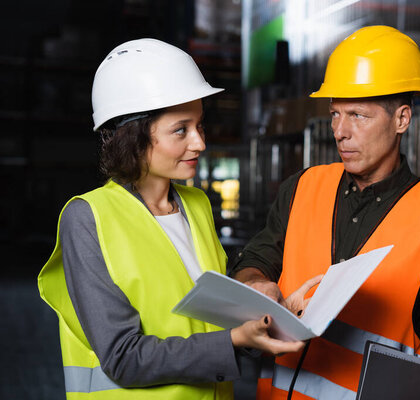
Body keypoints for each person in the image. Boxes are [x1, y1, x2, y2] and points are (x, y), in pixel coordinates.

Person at [38, 38, 318, 400]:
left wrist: (270, 317)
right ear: (133, 137)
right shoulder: (88, 218)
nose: (200, 143)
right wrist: (234, 341)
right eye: (180, 130)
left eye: (199, 126)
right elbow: (122, 357)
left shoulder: (196, 204)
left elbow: (212, 321)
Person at [230, 26, 420, 400]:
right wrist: (255, 284)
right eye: (335, 113)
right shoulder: (301, 188)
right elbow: (256, 259)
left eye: (358, 115)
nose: (341, 131)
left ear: (401, 119)